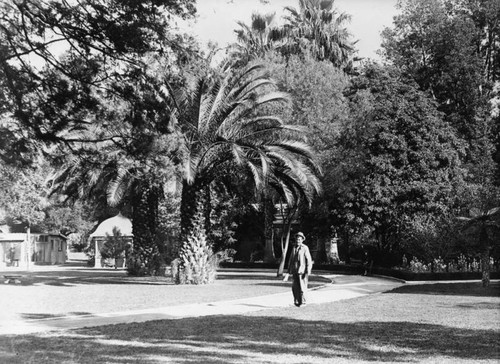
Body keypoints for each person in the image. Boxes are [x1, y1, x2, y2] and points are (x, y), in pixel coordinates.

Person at [284, 232, 313, 307]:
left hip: (302, 271)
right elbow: (291, 260)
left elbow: (309, 259)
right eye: (297, 239)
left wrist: (309, 269)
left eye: (299, 239)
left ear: (302, 240)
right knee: (295, 287)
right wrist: (288, 272)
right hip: (295, 270)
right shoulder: (294, 248)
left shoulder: (305, 248)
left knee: (302, 287)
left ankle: (303, 302)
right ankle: (296, 302)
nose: (298, 240)